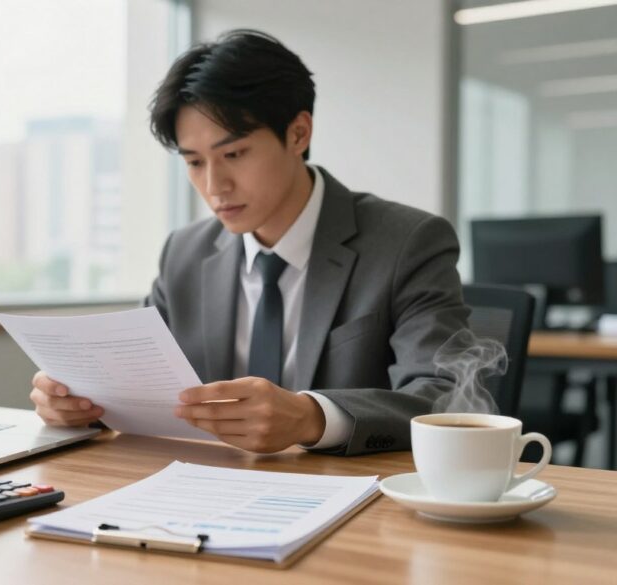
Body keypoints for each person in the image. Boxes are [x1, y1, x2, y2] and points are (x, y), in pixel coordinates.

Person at [28, 29, 469, 456]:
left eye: (234, 154)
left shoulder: (408, 242)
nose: (214, 185)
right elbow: (138, 384)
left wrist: (312, 417)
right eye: (195, 162)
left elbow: (447, 398)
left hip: (357, 501)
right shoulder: (185, 252)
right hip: (211, 494)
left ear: (298, 133)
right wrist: (80, 404)